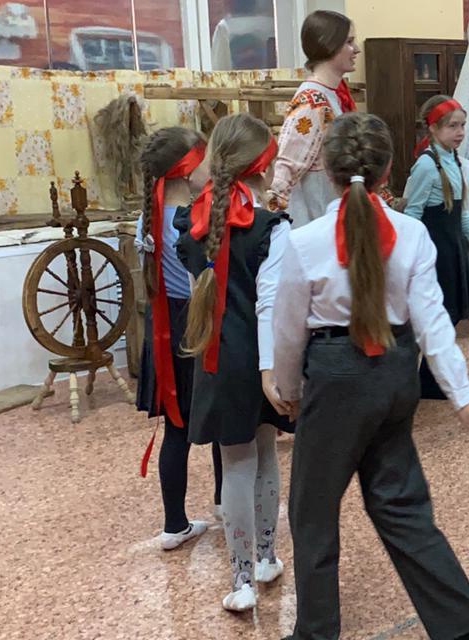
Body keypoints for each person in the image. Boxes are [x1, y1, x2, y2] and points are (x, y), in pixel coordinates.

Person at [271, 112, 469, 640]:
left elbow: (287, 330)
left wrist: (290, 390)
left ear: (327, 170)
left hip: (336, 376)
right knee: (401, 505)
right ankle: (462, 625)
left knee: (312, 511)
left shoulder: (303, 241)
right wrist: (463, 396)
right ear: (389, 169)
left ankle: (316, 633)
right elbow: (433, 321)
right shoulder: (413, 233)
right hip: (396, 374)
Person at [177, 113, 294, 612]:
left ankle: (242, 580)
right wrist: (272, 371)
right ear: (263, 168)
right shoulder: (271, 228)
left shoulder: (193, 225)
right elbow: (271, 306)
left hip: (216, 359)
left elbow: (200, 293)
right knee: (265, 454)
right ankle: (265, 559)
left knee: (237, 465)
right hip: (260, 360)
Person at [134, 126, 222, 550]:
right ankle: (225, 504)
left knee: (175, 428)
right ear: (188, 170)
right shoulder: (196, 219)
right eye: (206, 159)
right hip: (200, 324)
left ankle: (174, 524)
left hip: (164, 328)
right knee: (222, 423)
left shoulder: (148, 217)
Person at [404, 95, 469, 399]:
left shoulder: (454, 160)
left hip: (452, 249)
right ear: (433, 128)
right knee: (435, 315)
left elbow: (461, 213)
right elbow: (412, 214)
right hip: (434, 250)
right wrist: (409, 257)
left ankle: (429, 379)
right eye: (452, 126)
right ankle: (419, 378)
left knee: (448, 315)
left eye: (463, 125)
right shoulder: (426, 166)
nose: (460, 132)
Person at [268, 10, 360, 227]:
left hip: (329, 221)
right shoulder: (312, 102)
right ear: (329, 45)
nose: (357, 49)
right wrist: (270, 222)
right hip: (313, 224)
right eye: (349, 42)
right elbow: (286, 168)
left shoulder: (329, 95)